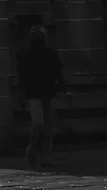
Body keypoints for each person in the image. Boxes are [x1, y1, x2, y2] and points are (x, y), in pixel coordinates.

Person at [17, 26, 68, 169]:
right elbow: (22, 78)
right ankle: (33, 152)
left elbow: (59, 73)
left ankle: (43, 155)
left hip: (47, 95)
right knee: (38, 125)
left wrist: (65, 88)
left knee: (47, 127)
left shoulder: (50, 54)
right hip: (34, 95)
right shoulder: (26, 55)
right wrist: (21, 95)